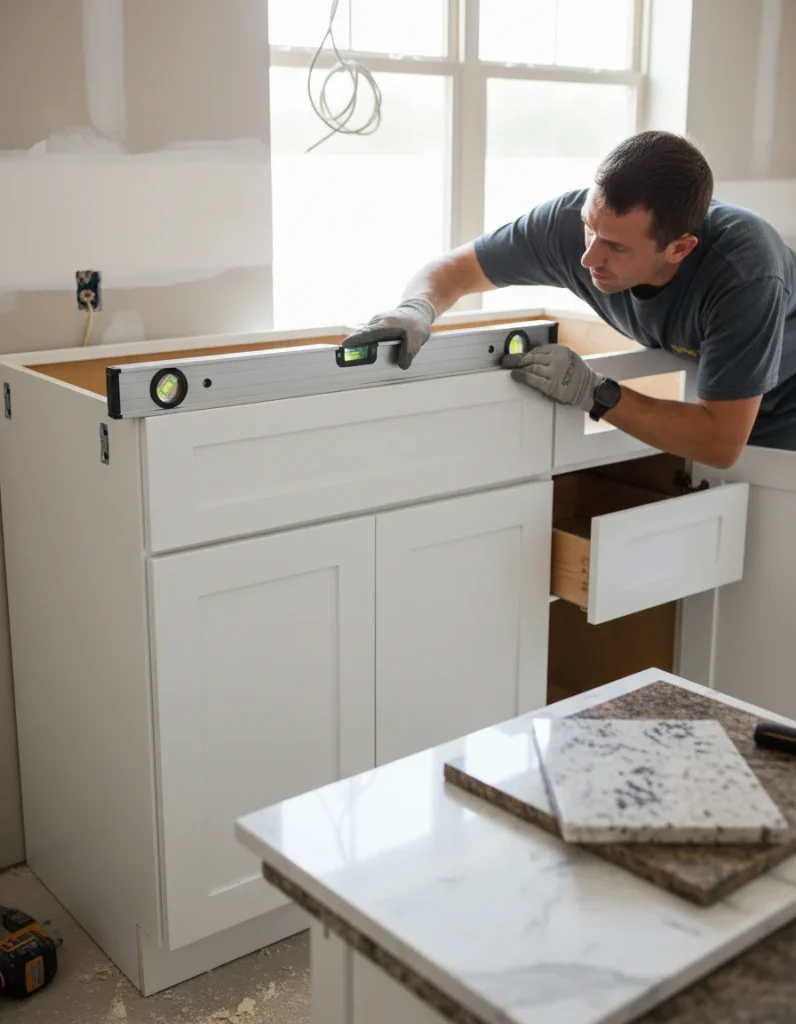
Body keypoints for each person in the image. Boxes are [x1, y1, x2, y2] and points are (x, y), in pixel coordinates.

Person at [342, 130, 796, 469]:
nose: (588, 256)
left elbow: (720, 444)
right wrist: (416, 308)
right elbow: (454, 269)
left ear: (679, 248)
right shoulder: (572, 225)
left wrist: (595, 393)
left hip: (782, 413)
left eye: (616, 247)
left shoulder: (745, 273)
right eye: (589, 227)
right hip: (715, 402)